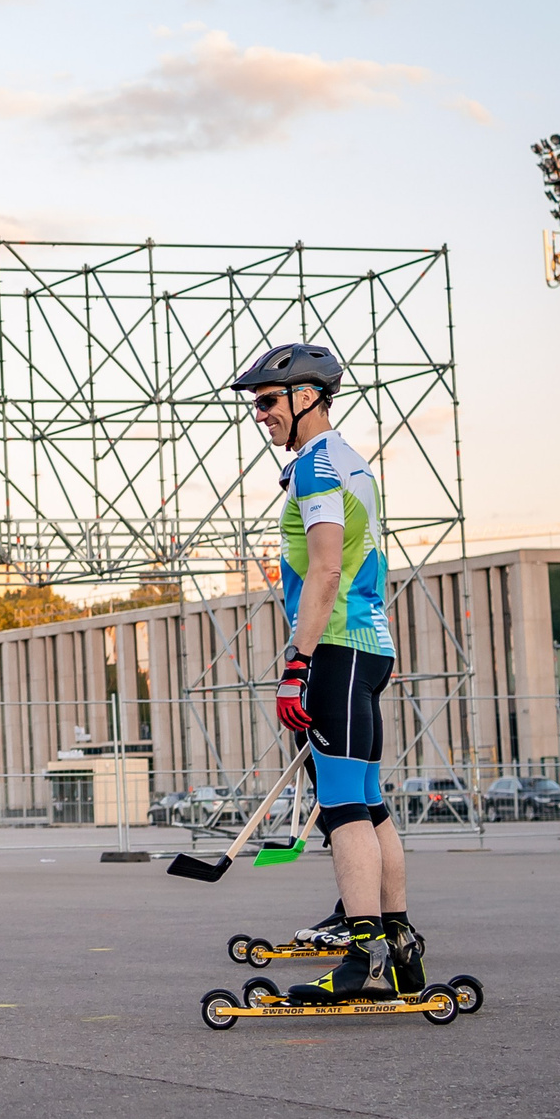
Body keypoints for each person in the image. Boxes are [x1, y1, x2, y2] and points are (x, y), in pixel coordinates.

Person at [233, 342, 425, 1001]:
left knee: (342, 807)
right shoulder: (349, 461)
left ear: (308, 396)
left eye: (268, 401)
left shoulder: (317, 468)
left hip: (336, 650)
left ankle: (361, 956)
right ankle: (401, 952)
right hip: (368, 648)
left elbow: (325, 569)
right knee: (368, 805)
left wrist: (297, 664)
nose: (261, 414)